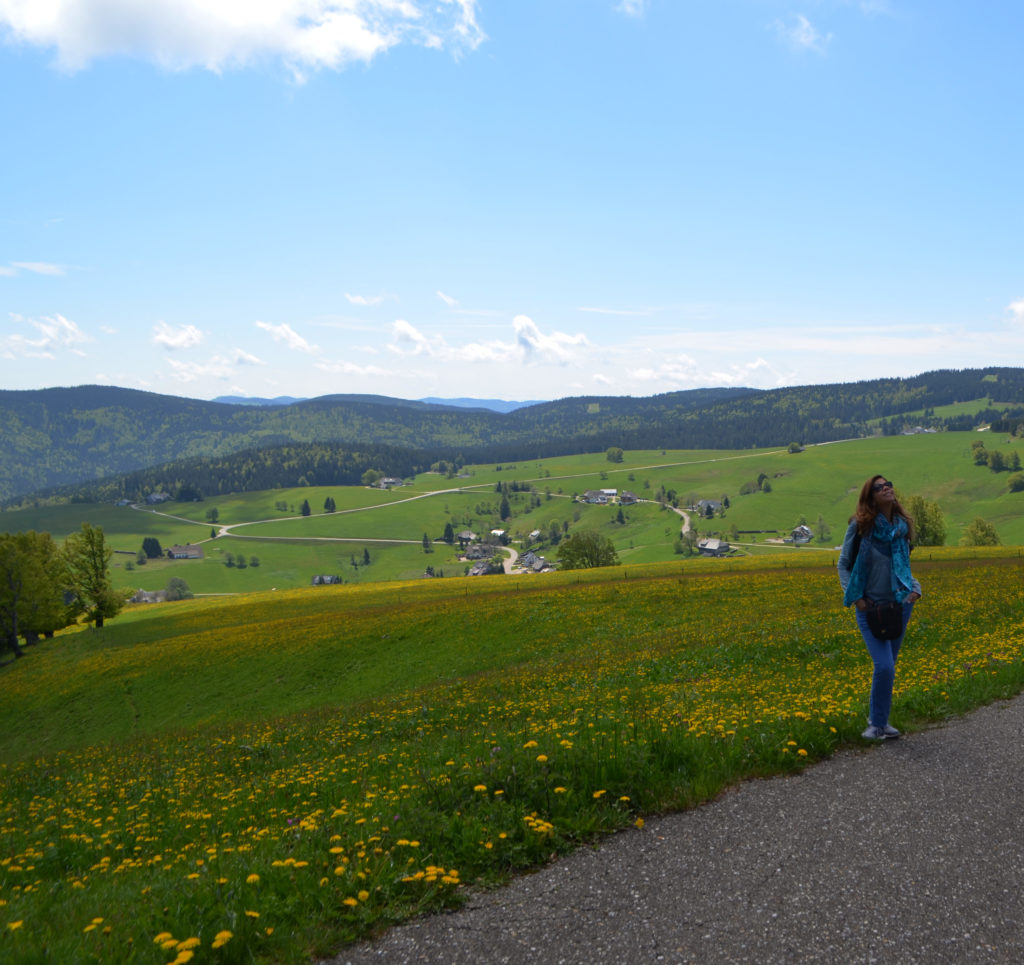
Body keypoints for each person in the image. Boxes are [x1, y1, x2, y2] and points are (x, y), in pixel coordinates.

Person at [837, 475, 922, 740]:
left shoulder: (902, 526)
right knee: (884, 666)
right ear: (871, 496)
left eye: (889, 485)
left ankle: (882, 723)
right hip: (869, 608)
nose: (886, 488)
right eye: (879, 487)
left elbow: (904, 567)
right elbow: (843, 565)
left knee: (889, 666)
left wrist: (915, 589)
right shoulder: (860, 527)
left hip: (899, 606)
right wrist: (856, 599)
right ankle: (875, 723)